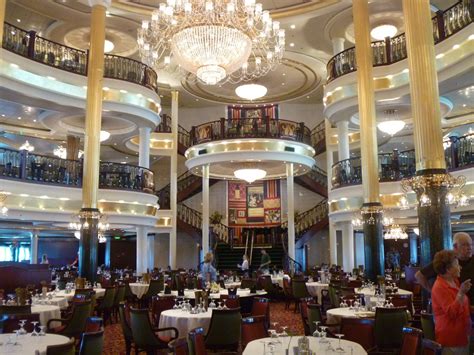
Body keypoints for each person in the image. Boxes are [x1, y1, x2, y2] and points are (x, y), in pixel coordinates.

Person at [431, 250, 471, 354]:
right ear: (448, 269)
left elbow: (462, 307)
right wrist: (461, 293)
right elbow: (452, 313)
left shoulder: (454, 281)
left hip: (462, 335)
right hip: (451, 340)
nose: (460, 267)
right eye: (457, 265)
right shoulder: (439, 287)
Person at [415, 232, 473, 305]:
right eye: (465, 245)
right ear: (455, 247)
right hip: (452, 307)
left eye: (471, 244)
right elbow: (419, 276)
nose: (470, 248)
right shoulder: (447, 260)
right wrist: (434, 292)